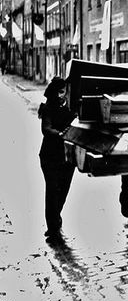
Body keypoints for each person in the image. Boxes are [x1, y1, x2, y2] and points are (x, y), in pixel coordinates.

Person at [38, 77, 76, 246]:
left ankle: (55, 219)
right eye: (59, 92)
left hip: (67, 157)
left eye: (64, 91)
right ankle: (53, 229)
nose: (62, 95)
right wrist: (60, 134)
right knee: (52, 191)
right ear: (53, 93)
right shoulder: (47, 108)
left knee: (63, 191)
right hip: (50, 157)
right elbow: (46, 128)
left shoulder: (70, 107)